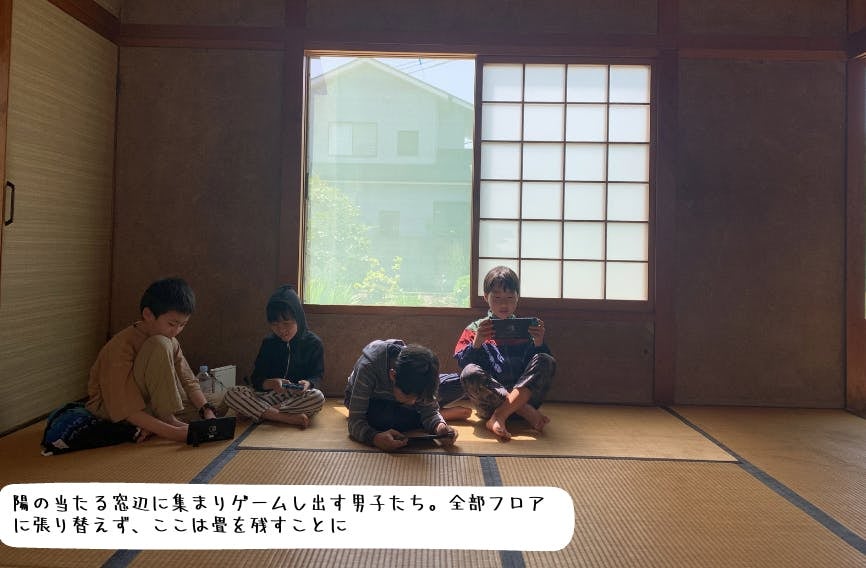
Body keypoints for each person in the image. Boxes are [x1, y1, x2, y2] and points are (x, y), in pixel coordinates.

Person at [85, 277, 216, 444]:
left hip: (154, 403)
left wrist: (207, 411)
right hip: (114, 407)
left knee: (224, 401)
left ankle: (159, 421)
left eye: (183, 325)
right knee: (159, 344)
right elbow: (122, 405)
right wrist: (175, 433)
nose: (176, 331)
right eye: (172, 324)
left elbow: (189, 381)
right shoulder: (121, 345)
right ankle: (166, 420)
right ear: (148, 314)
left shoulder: (170, 340)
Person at [454, 266, 556, 440]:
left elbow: (540, 369)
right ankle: (521, 410)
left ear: (517, 297)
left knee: (545, 359)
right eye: (497, 297)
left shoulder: (527, 329)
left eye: (509, 297)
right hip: (490, 404)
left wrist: (538, 342)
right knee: (469, 372)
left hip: (527, 398)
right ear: (486, 297)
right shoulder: (475, 329)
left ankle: (500, 416)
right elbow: (463, 363)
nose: (504, 304)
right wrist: (477, 342)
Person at [224, 285, 325, 429]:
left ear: (298, 318)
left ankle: (258, 412)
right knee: (232, 393)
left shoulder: (313, 343)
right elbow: (256, 378)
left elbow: (317, 376)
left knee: (317, 397)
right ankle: (286, 418)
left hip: (294, 398)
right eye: (275, 324)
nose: (281, 329)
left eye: (286, 323)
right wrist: (271, 383)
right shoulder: (269, 343)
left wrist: (307, 384)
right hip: (267, 396)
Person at [344, 340, 458, 452]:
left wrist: (440, 427)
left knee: (457, 385)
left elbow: (430, 411)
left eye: (418, 398)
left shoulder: (416, 376)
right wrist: (374, 438)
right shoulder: (368, 368)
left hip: (395, 402)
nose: (413, 402)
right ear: (393, 375)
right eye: (408, 395)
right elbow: (355, 421)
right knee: (384, 420)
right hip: (371, 400)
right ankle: (443, 414)